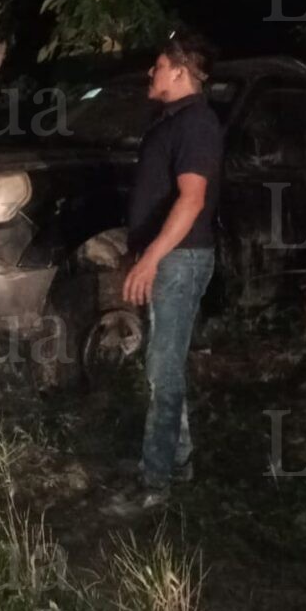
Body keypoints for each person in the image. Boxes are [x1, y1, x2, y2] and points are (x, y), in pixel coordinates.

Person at [103, 32, 223, 519]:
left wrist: (151, 259)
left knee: (162, 369)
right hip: (169, 258)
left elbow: (192, 201)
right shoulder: (174, 121)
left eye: (157, 66)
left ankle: (154, 484)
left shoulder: (197, 124)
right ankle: (177, 460)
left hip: (180, 259)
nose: (150, 74)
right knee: (165, 365)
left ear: (179, 71)